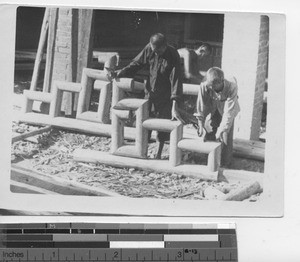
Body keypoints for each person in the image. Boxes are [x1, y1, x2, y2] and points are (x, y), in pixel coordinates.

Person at [113, 33, 185, 159]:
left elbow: (176, 79)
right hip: (150, 91)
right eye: (154, 50)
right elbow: (137, 64)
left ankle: (159, 153)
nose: (156, 53)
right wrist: (121, 73)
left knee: (162, 125)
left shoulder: (173, 54)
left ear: (164, 46)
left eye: (159, 51)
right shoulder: (149, 48)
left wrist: (175, 103)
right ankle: (141, 151)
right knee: (145, 121)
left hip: (165, 94)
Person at [194, 67, 240, 165]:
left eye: (213, 86)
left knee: (225, 136)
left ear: (221, 82)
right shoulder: (204, 85)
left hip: (227, 108)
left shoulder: (232, 87)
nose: (210, 88)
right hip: (213, 106)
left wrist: (221, 131)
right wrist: (200, 124)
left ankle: (225, 164)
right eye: (209, 86)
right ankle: (209, 160)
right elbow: (200, 107)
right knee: (209, 129)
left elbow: (229, 113)